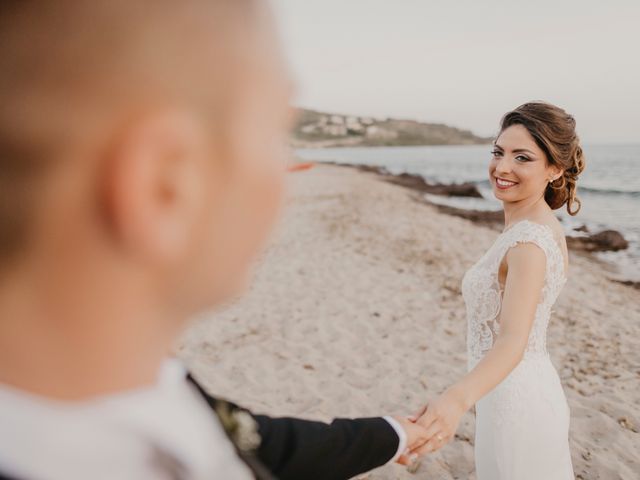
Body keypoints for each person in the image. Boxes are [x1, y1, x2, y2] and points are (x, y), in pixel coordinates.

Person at [0, 1, 429, 479]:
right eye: (275, 133)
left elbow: (266, 445)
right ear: (163, 185)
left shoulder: (135, 382)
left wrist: (393, 434)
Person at [410, 102, 583, 479]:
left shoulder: (529, 244)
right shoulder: (532, 227)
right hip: (507, 390)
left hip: (516, 403)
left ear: (554, 170)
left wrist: (455, 399)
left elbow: (513, 340)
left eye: (522, 157)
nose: (502, 168)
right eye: (498, 152)